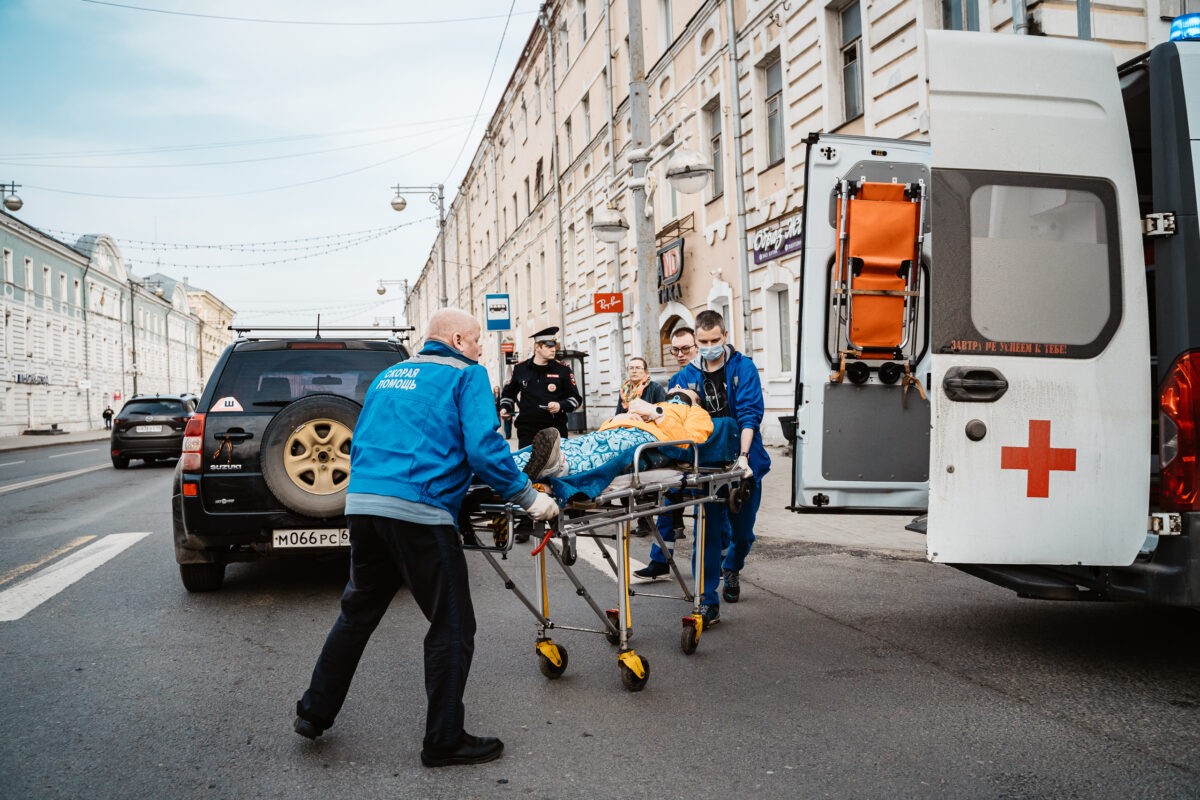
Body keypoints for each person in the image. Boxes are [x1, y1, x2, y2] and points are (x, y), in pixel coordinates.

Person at [294, 308, 560, 769]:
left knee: (357, 614)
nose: (480, 347)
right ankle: (443, 739)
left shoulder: (390, 375)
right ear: (457, 339)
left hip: (364, 505)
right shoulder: (466, 374)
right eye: (476, 339)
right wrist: (526, 498)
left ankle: (314, 711)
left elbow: (365, 442)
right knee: (452, 624)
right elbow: (483, 447)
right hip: (418, 510)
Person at [657, 310, 770, 627]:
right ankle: (707, 602)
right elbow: (677, 422)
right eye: (703, 341)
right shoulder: (685, 377)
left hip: (744, 460)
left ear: (725, 335)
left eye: (714, 340)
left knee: (743, 533)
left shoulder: (742, 368)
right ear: (695, 339)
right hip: (705, 466)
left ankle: (733, 565)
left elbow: (750, 414)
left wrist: (744, 457)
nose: (709, 346)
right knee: (705, 536)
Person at [515, 388, 711, 480]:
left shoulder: (696, 412)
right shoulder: (657, 404)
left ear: (695, 399)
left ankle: (561, 467)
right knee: (577, 444)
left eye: (683, 389)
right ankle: (511, 465)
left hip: (645, 436)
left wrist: (655, 414)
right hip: (616, 428)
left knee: (605, 452)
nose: (677, 388)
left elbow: (690, 443)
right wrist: (617, 420)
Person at [498, 326, 583, 448]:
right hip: (527, 431)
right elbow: (508, 394)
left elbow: (576, 399)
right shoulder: (520, 369)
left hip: (555, 429)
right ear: (537, 347)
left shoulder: (563, 370)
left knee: (555, 467)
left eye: (554, 346)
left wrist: (560, 405)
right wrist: (505, 408)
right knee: (528, 466)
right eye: (549, 346)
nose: (553, 350)